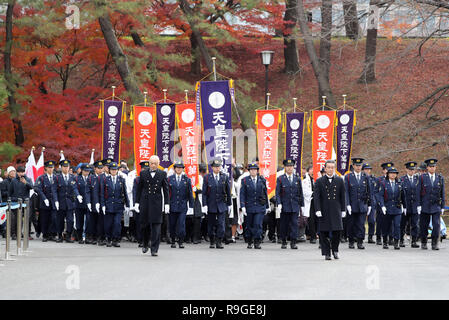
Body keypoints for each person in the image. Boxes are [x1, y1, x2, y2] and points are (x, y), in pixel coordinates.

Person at [135, 155, 169, 256]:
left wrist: (167, 203)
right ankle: (145, 243)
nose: (153, 165)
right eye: (151, 163)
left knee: (156, 227)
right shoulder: (143, 173)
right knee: (144, 225)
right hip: (145, 202)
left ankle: (154, 249)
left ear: (158, 164)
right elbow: (139, 189)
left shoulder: (162, 174)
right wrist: (136, 202)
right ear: (149, 163)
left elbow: (166, 190)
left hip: (157, 203)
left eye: (155, 163)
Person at [313, 160, 346, 260]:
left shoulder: (340, 180)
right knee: (324, 232)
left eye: (332, 167)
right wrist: (317, 209)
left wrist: (343, 209)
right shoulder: (319, 181)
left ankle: (335, 250)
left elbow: (343, 196)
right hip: (324, 209)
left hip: (336, 209)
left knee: (337, 231)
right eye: (329, 167)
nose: (331, 169)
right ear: (325, 168)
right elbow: (317, 197)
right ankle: (326, 252)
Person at [275, 159, 305, 250]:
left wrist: (302, 205)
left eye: (291, 166)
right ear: (285, 167)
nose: (289, 168)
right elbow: (278, 193)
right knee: (284, 224)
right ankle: (284, 240)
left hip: (295, 205)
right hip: (285, 205)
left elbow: (300, 193)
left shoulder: (297, 178)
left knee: (294, 224)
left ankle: (293, 241)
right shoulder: (280, 179)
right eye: (288, 166)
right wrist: (279, 203)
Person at [202, 159, 232, 249]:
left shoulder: (224, 177)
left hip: (221, 204)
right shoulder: (207, 177)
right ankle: (212, 240)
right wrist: (204, 205)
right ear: (212, 168)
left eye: (219, 167)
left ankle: (219, 241)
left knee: (221, 224)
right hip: (211, 204)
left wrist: (229, 204)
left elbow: (228, 191)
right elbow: (204, 193)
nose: (217, 168)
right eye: (215, 167)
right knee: (211, 225)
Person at [239, 163, 270, 249]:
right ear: (249, 171)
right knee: (249, 225)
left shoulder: (262, 180)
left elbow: (265, 194)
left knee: (258, 224)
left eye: (255, 170)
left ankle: (257, 241)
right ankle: (249, 240)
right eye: (251, 170)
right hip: (249, 206)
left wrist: (267, 206)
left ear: (257, 171)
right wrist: (243, 206)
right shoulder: (245, 180)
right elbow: (242, 194)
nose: (253, 171)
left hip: (260, 206)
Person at [344, 157, 372, 250]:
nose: (358, 167)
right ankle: (351, 241)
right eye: (357, 165)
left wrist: (370, 205)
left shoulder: (366, 177)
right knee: (351, 224)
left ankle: (360, 241)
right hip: (352, 205)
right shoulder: (348, 177)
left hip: (362, 204)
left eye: (360, 165)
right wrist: (347, 204)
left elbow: (369, 191)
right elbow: (346, 192)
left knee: (361, 224)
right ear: (353, 166)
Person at [100, 162, 129, 247]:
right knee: (108, 224)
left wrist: (127, 205)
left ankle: (116, 239)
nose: (114, 171)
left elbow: (125, 192)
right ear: (109, 170)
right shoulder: (105, 180)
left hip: (118, 205)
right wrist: (103, 205)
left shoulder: (121, 180)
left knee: (117, 223)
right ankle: (108, 239)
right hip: (108, 205)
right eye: (112, 169)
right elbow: (102, 193)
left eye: (115, 169)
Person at [419, 158, 445, 250]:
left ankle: (435, 243)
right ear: (427, 168)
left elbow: (442, 193)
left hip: (436, 205)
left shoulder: (440, 178)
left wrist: (442, 206)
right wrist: (419, 205)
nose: (432, 168)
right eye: (430, 167)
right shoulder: (422, 177)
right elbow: (419, 191)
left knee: (436, 225)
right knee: (424, 225)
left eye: (434, 166)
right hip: (425, 205)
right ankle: (424, 242)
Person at [167, 161, 194, 248]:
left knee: (181, 224)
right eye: (177, 168)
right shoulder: (169, 179)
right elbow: (167, 193)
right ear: (174, 169)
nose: (179, 169)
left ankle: (181, 241)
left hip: (182, 205)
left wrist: (191, 206)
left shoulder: (187, 179)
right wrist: (166, 204)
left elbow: (190, 193)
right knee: (172, 224)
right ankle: (173, 240)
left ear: (183, 169)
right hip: (172, 205)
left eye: (180, 168)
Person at [377, 167, 405, 250]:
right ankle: (385, 241)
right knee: (386, 226)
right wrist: (382, 206)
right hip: (387, 208)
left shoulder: (399, 183)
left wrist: (405, 206)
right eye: (391, 173)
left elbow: (403, 196)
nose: (393, 174)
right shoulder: (383, 183)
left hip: (397, 208)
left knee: (397, 225)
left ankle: (396, 242)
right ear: (388, 174)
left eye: (395, 173)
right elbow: (380, 195)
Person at [54, 159, 80, 243]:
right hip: (60, 202)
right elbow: (54, 190)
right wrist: (56, 201)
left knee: (70, 220)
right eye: (64, 167)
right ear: (61, 167)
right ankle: (60, 235)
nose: (66, 168)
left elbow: (75, 187)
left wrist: (78, 195)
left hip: (70, 203)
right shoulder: (57, 177)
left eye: (67, 167)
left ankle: (68, 235)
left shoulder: (73, 177)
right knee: (60, 220)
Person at [34, 160, 58, 242]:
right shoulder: (41, 178)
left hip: (54, 201)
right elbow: (38, 189)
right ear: (46, 168)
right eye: (49, 167)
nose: (51, 169)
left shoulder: (56, 177)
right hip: (44, 202)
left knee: (54, 218)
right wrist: (44, 198)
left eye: (52, 167)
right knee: (44, 218)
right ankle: (45, 234)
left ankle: (52, 234)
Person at [399, 161, 421, 248]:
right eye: (410, 170)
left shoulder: (418, 180)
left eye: (413, 170)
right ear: (406, 169)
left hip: (415, 206)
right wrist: (401, 205)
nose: (412, 171)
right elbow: (400, 193)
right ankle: (401, 240)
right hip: (406, 206)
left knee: (415, 224)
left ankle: (414, 241)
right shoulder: (402, 179)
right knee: (403, 224)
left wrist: (419, 204)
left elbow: (420, 193)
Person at [9, 166, 33, 239]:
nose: (21, 174)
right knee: (17, 219)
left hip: (25, 202)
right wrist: (11, 199)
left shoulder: (28, 179)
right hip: (16, 202)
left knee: (27, 218)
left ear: (24, 172)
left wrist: (26, 183)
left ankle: (27, 234)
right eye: (19, 172)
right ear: (17, 172)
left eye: (22, 172)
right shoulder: (13, 180)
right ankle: (15, 234)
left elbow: (32, 187)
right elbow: (10, 192)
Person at [374, 162, 394, 245]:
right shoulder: (379, 180)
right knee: (380, 221)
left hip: (391, 204)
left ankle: (390, 238)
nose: (388, 171)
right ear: (383, 171)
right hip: (381, 204)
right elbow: (375, 192)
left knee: (391, 222)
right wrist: (379, 202)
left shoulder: (395, 179)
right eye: (386, 169)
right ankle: (379, 237)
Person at [86, 160, 103, 245]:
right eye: (98, 168)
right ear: (95, 169)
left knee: (100, 221)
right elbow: (88, 191)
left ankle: (98, 237)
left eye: (101, 168)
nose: (100, 170)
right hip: (92, 203)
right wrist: (88, 202)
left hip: (101, 202)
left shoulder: (103, 177)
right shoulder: (90, 178)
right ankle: (90, 236)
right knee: (91, 220)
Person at [74, 164, 91, 244]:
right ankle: (80, 237)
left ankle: (87, 237)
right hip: (79, 203)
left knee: (88, 221)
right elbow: (74, 188)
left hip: (89, 204)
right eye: (85, 171)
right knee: (79, 221)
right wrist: (77, 195)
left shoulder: (91, 178)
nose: (87, 173)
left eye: (88, 171)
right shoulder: (77, 178)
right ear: (81, 170)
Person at [362, 163, 377, 244]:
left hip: (372, 202)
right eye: (366, 169)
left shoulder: (373, 179)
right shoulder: (361, 178)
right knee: (361, 221)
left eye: (369, 169)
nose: (368, 171)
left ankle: (370, 236)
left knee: (372, 220)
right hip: (363, 202)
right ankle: (360, 236)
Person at [303, 166, 317, 244]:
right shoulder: (305, 181)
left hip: (319, 202)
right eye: (311, 170)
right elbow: (305, 192)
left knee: (319, 219)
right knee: (311, 219)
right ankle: (313, 236)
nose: (313, 172)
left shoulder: (319, 179)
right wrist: (313, 194)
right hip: (310, 201)